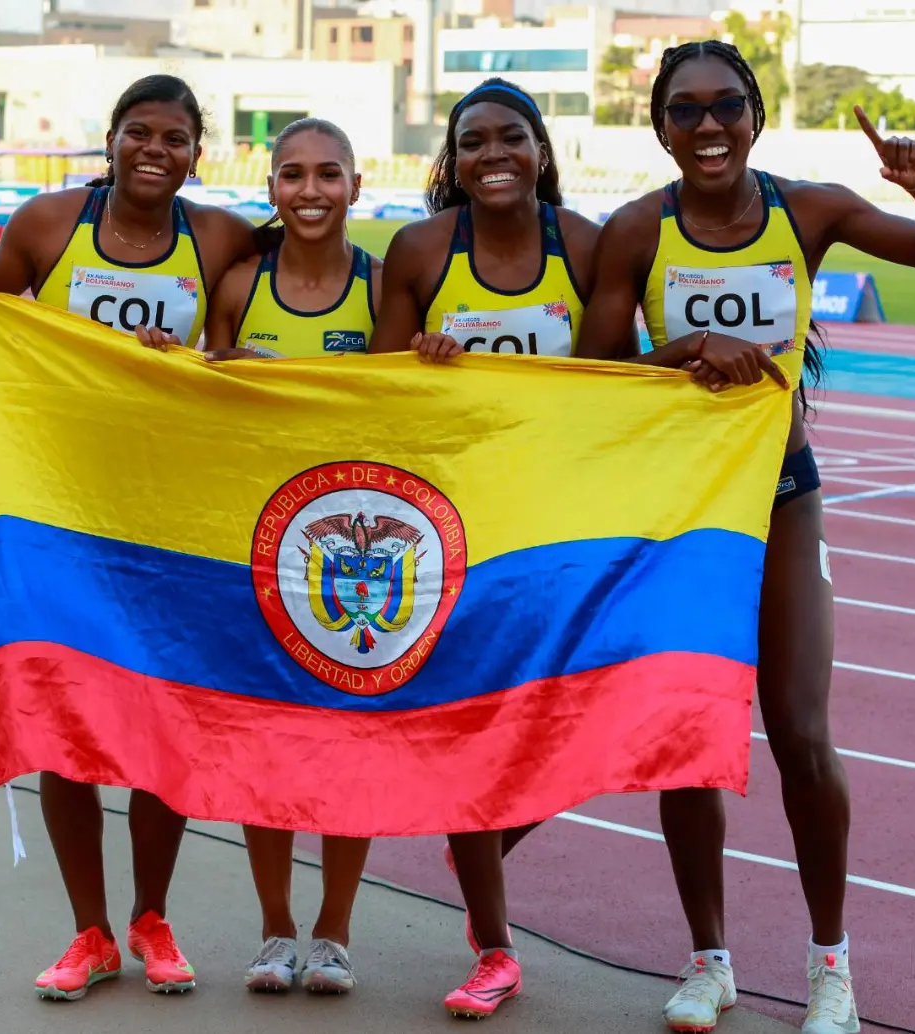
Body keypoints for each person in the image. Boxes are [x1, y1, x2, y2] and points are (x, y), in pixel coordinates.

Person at [566, 40, 915, 1034]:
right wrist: (687, 348)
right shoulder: (634, 231)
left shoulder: (805, 210)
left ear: (753, 113)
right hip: (680, 510)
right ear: (658, 125)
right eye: (684, 111)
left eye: (725, 106)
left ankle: (831, 966)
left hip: (779, 493)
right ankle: (709, 960)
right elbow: (590, 378)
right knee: (690, 744)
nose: (706, 128)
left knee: (800, 733)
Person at [0, 73, 255, 1001]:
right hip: (60, 514)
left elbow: (268, 322)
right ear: (110, 139)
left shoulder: (221, 238)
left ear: (199, 152)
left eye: (176, 138)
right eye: (139, 133)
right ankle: (91, 931)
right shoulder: (48, 225)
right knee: (65, 721)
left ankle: (153, 918)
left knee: (163, 717)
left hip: (173, 518)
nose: (156, 150)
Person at [368, 77, 622, 1019]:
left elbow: (618, 377)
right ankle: (493, 948)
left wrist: (686, 365)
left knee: (597, 711)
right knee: (467, 732)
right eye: (473, 142)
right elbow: (380, 396)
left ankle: (487, 825)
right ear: (453, 160)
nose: (493, 155)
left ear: (540, 148)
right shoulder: (422, 251)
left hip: (565, 521)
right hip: (462, 524)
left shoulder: (585, 244)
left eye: (510, 138)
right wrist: (421, 371)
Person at [201, 117, 381, 995]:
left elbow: (407, 414)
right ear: (270, 187)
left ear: (357, 185)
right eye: (292, 176)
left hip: (358, 554)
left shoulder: (382, 289)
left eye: (328, 175)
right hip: (258, 543)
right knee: (262, 738)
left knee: (350, 740)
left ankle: (335, 931)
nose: (310, 191)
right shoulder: (242, 281)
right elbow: (206, 389)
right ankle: (275, 929)